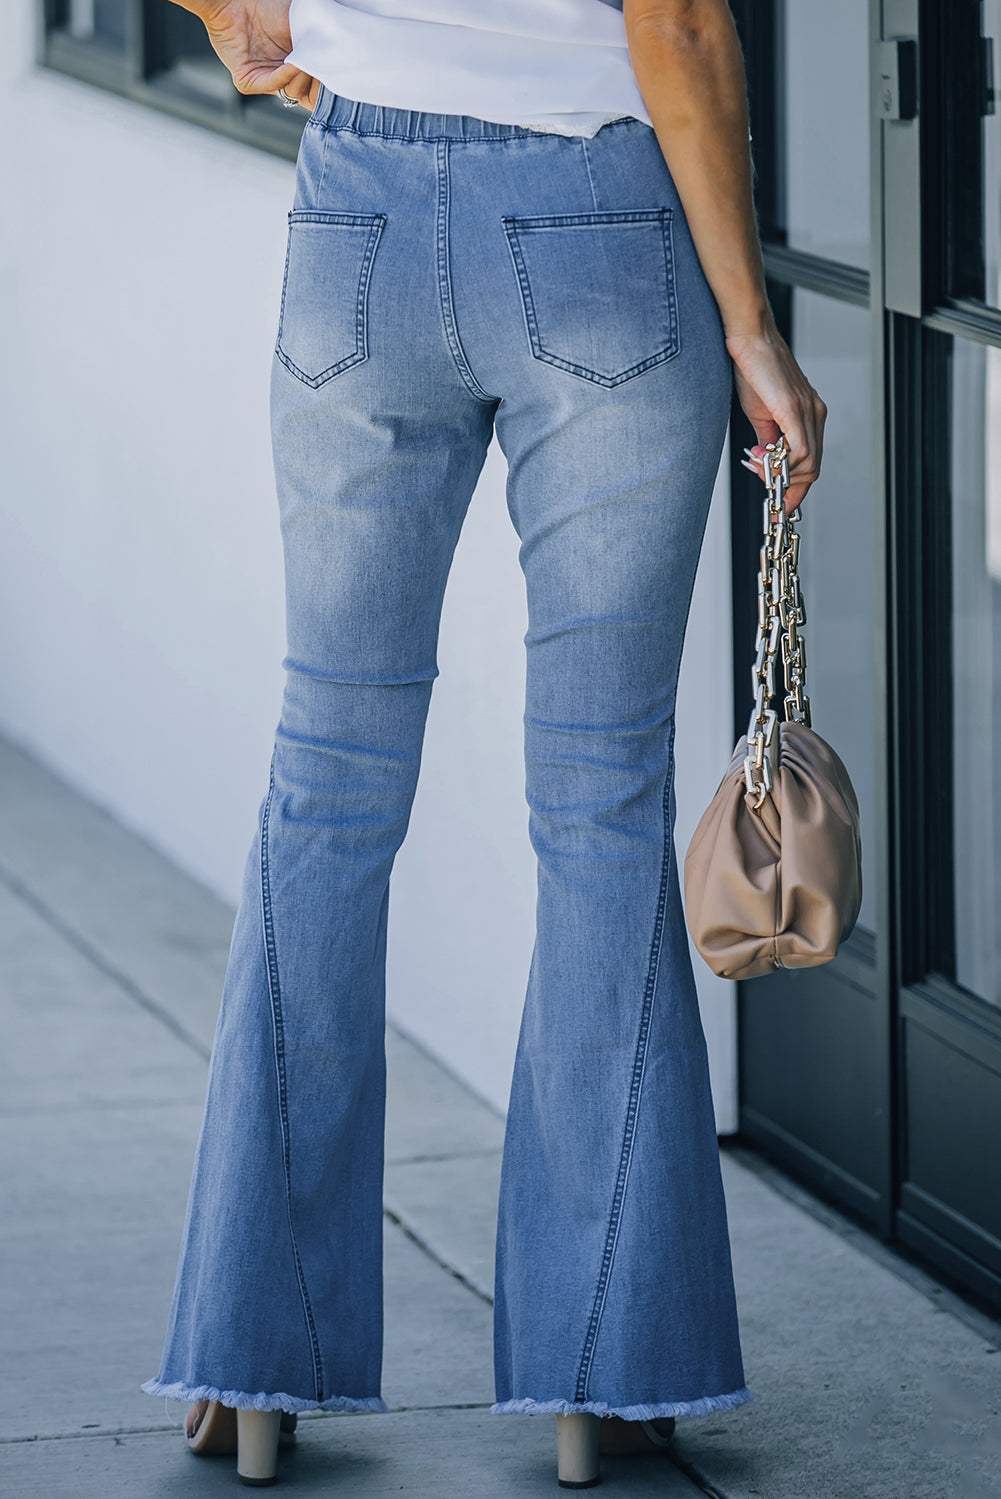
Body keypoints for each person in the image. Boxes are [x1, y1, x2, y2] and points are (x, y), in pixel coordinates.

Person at [142, 0, 827, 1487]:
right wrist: (751, 324)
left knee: (323, 779)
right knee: (596, 796)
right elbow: (682, 23)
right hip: (596, 220)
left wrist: (236, 23)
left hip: (357, 216)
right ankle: (607, 1363)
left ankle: (251, 1354)